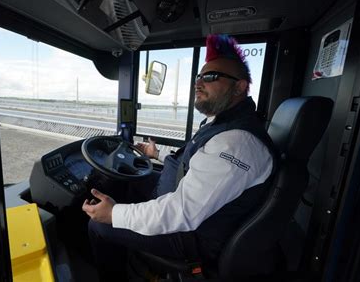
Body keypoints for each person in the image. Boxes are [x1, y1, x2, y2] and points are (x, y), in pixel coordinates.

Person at [82, 34, 278, 281]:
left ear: (239, 87)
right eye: (198, 77)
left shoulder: (237, 142)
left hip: (191, 235)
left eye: (210, 77)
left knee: (99, 226)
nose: (198, 83)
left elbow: (182, 212)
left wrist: (114, 215)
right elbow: (196, 161)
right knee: (127, 181)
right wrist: (157, 154)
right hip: (182, 202)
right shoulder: (222, 124)